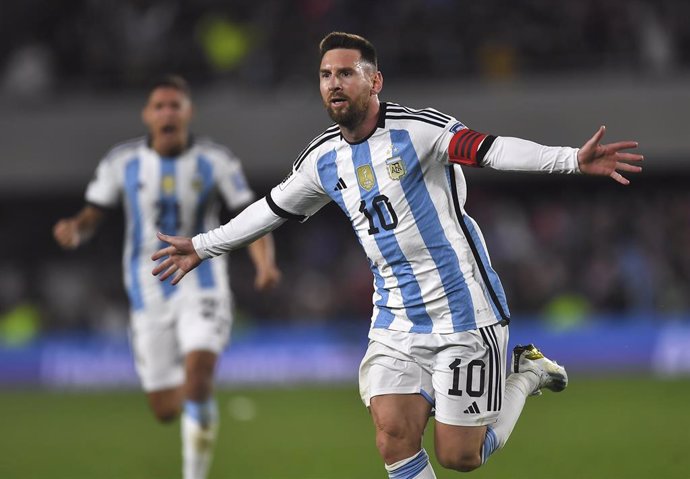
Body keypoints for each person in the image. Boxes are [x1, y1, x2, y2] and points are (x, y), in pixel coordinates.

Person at [151, 33, 643, 478]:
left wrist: (569, 160)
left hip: (463, 312)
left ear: (375, 80)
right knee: (392, 437)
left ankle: (529, 372)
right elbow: (270, 210)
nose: (333, 84)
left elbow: (490, 149)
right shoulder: (323, 159)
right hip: (396, 320)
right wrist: (201, 245)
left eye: (346, 73)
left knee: (460, 457)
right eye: (325, 75)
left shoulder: (421, 131)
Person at [53, 75, 281, 479]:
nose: (167, 113)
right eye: (159, 106)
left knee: (197, 376)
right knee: (163, 409)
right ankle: (199, 402)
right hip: (148, 291)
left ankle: (194, 463)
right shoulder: (121, 163)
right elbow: (93, 214)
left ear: (188, 112)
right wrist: (77, 227)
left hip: (203, 280)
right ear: (147, 115)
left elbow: (250, 217)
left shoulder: (216, 160)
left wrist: (263, 264)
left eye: (175, 105)